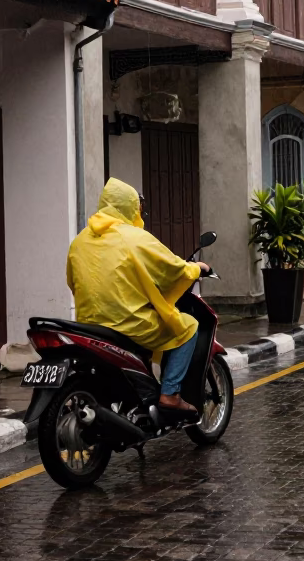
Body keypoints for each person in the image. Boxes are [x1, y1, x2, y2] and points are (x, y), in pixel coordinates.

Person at [66, 178, 210, 416]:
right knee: (188, 327)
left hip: (89, 325)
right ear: (130, 207)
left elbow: (72, 282)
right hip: (128, 325)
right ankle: (170, 393)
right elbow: (172, 268)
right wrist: (198, 269)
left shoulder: (80, 240)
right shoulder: (134, 237)